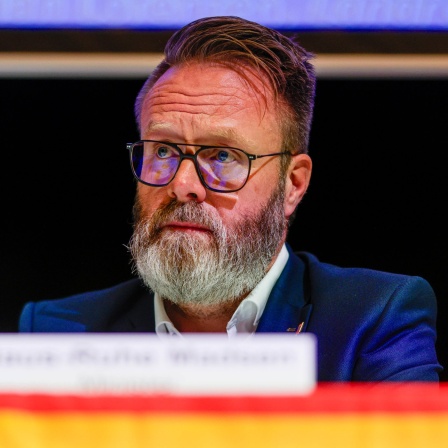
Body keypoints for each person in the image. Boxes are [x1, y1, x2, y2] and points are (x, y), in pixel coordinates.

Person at [18, 16, 442, 382]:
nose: (184, 184)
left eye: (222, 155)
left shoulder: (374, 320)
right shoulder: (58, 331)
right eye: (163, 151)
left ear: (292, 184)